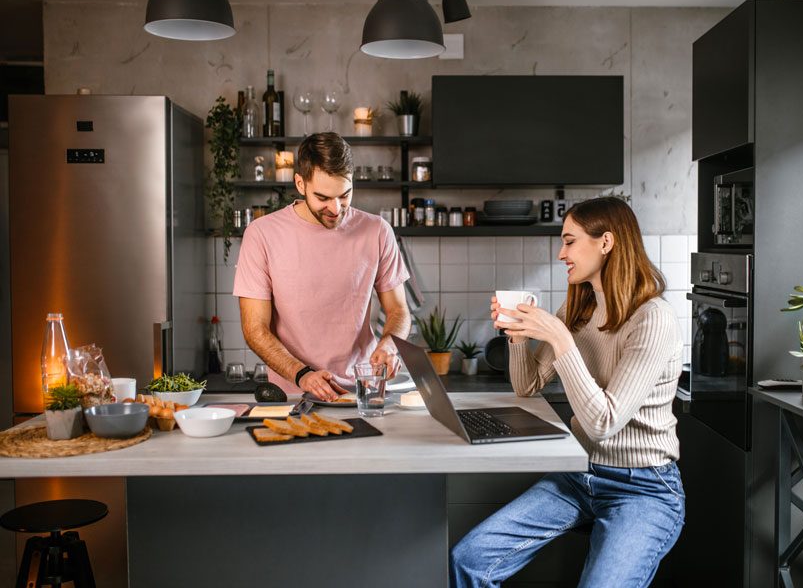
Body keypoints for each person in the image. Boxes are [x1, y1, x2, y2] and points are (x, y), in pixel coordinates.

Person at [451, 197, 685, 588]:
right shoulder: (579, 310)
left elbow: (602, 422)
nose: (561, 254)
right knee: (469, 559)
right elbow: (527, 387)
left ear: (606, 242)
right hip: (578, 476)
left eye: (569, 241)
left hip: (644, 487)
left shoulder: (652, 319)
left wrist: (561, 341)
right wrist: (517, 335)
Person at [233, 132, 411, 401]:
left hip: (362, 393)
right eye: (323, 198)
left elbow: (399, 310)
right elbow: (255, 329)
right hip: (293, 394)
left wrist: (390, 344)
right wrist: (302, 373)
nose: (336, 208)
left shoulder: (377, 231)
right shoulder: (262, 234)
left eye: (345, 195)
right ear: (300, 184)